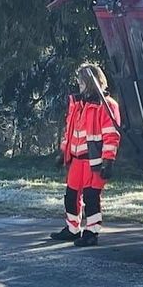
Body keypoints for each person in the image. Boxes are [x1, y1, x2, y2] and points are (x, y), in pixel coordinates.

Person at [49, 62, 121, 246]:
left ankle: (91, 232)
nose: (79, 85)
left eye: (81, 82)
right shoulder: (77, 104)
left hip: (94, 161)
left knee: (91, 197)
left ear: (90, 82)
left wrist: (108, 161)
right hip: (76, 160)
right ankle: (72, 229)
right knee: (71, 196)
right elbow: (70, 131)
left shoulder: (107, 105)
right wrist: (63, 152)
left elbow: (111, 135)